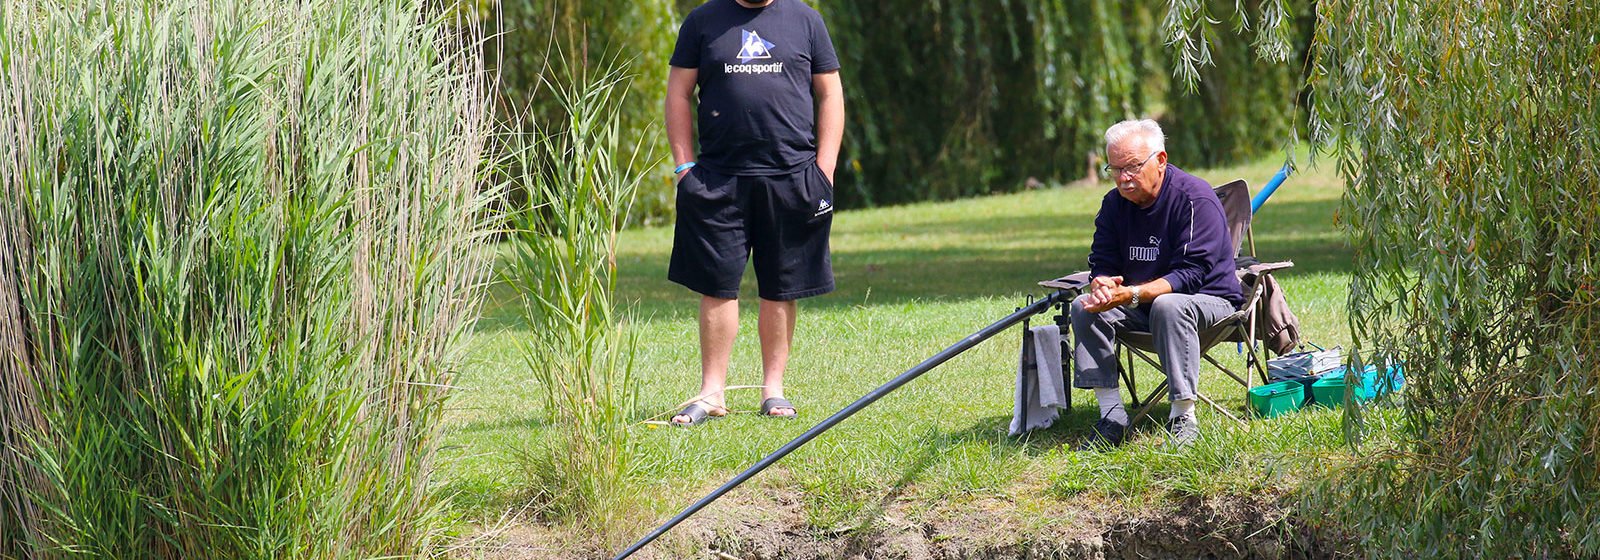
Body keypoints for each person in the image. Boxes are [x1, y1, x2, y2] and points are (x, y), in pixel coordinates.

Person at [663, 0, 845, 426]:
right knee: (717, 285)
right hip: (717, 178)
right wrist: (684, 167)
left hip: (792, 175)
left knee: (781, 286)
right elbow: (678, 92)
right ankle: (711, 394)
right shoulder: (702, 21)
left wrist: (826, 168)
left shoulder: (806, 20)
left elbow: (830, 92)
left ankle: (773, 391)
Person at [1070, 119, 1244, 448]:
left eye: (1133, 167)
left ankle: (1183, 416)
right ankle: (1111, 415)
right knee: (1083, 307)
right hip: (1141, 304)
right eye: (1115, 169)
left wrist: (1133, 294)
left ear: (1160, 160)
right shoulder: (1113, 205)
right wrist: (1103, 284)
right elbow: (1102, 259)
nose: (1123, 178)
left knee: (1168, 304)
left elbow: (1191, 274)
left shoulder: (1194, 198)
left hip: (1209, 301)